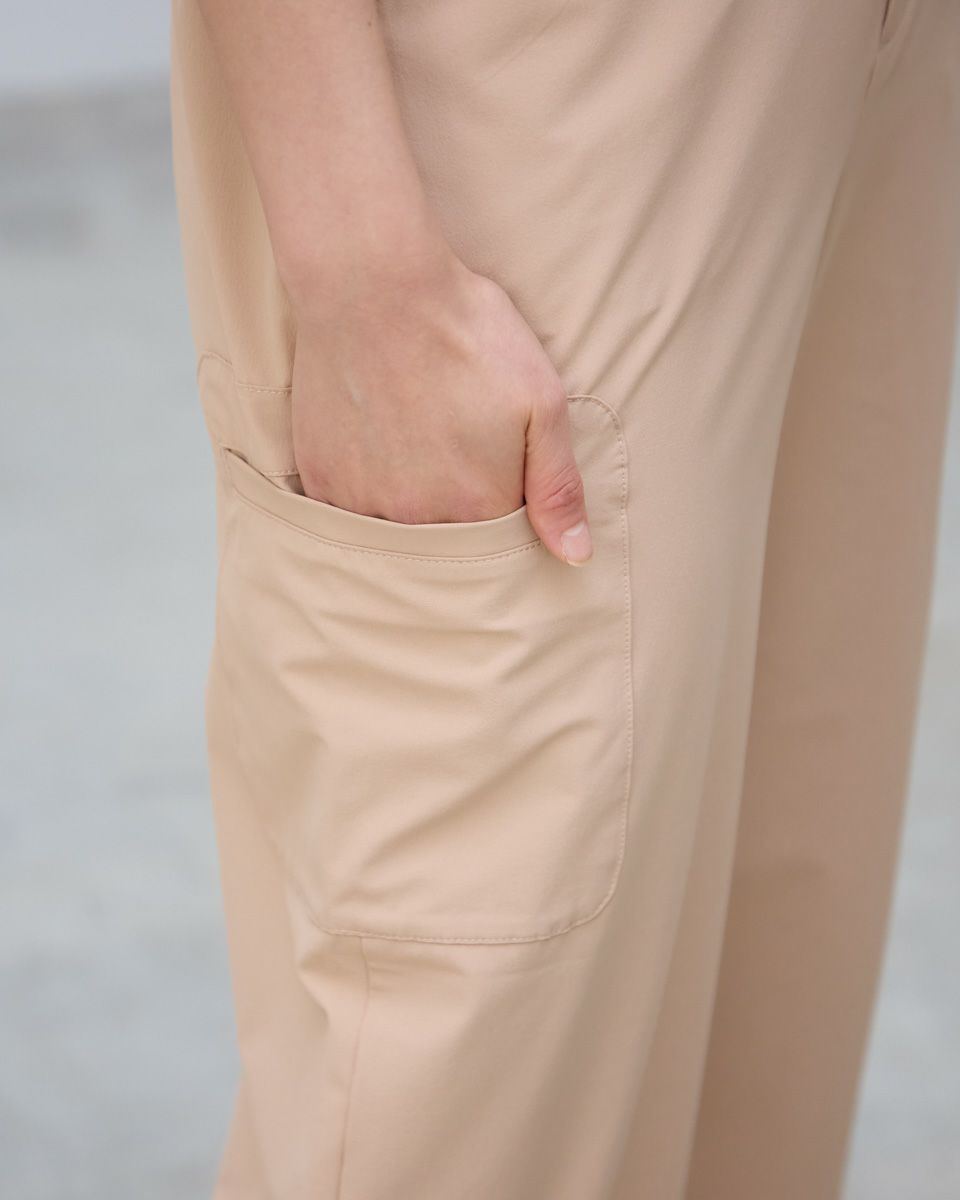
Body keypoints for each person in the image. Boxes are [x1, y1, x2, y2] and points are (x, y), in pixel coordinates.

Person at [168, 2, 960, 1196]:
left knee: (771, 1017)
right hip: (540, 72)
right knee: (471, 1081)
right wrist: (364, 272)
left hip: (865, 62)